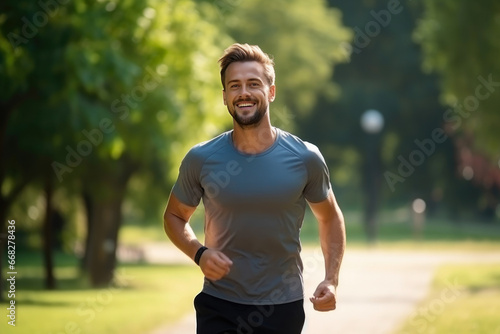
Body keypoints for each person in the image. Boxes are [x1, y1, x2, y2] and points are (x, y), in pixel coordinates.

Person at [164, 43, 346, 334]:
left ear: (271, 92)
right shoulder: (201, 158)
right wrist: (199, 254)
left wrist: (331, 279)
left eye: (253, 84)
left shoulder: (305, 157)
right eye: (234, 86)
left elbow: (330, 217)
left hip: (281, 306)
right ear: (225, 97)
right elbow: (174, 216)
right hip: (218, 303)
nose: (243, 93)